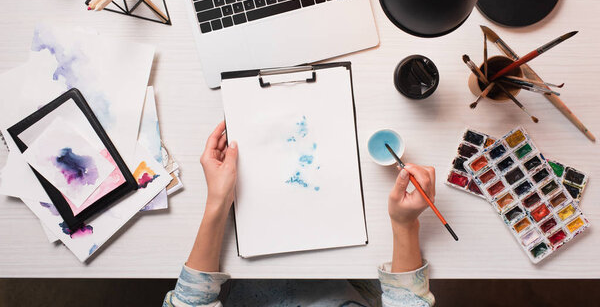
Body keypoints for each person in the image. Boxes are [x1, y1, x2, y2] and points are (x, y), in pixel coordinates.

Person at [163, 121, 436, 306]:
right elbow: (407, 301)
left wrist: (218, 202)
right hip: (354, 276)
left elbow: (190, 301)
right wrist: (404, 224)